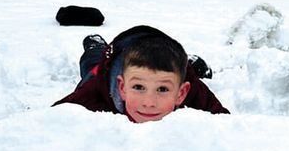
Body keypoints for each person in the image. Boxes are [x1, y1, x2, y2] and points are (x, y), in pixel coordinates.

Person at [53, 25, 229, 122]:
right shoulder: (93, 94)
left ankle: (186, 60)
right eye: (138, 87)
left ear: (181, 93)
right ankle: (96, 45)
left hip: (158, 54)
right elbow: (46, 124)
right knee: (92, 62)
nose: (149, 103)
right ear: (122, 87)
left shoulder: (192, 91)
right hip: (106, 66)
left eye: (162, 89)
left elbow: (228, 127)